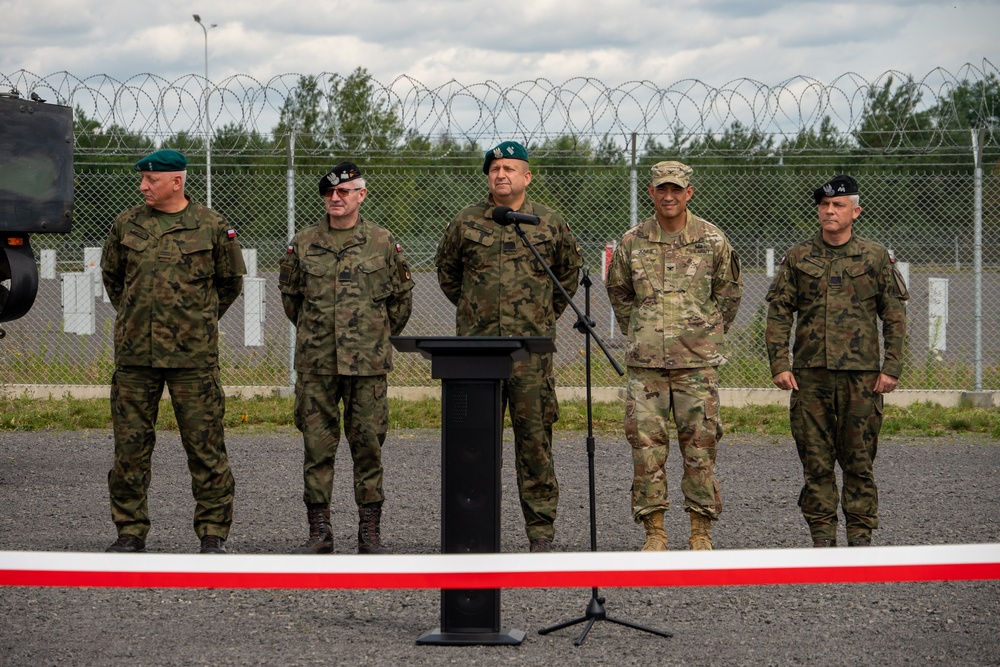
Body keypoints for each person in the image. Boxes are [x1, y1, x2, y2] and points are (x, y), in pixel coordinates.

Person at [435, 141, 583, 552]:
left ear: (526, 176)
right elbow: (449, 275)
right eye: (495, 168)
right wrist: (474, 311)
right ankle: (475, 533)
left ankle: (540, 533)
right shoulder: (465, 222)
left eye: (510, 168)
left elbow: (566, 277)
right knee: (475, 447)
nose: (501, 174)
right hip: (476, 355)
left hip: (529, 355)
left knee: (534, 442)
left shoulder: (549, 223)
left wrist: (538, 316)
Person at [101, 149, 246, 554]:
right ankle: (129, 530)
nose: (143, 185)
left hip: (192, 358)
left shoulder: (211, 225)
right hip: (135, 357)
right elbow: (114, 280)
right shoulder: (125, 224)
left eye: (151, 179)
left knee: (205, 446)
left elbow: (229, 283)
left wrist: (195, 321)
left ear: (176, 182)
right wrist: (138, 317)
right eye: (142, 179)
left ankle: (213, 532)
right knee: (130, 448)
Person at [765, 175, 909, 548]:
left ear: (855, 212)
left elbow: (893, 314)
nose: (830, 211)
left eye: (839, 205)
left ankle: (860, 544)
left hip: (862, 379)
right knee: (816, 464)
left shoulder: (875, 257)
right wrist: (779, 363)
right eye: (825, 205)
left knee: (859, 462)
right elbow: (780, 312)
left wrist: (892, 367)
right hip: (810, 378)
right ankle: (823, 544)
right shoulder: (798, 257)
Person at [606, 161, 743, 552]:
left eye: (676, 190)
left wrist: (702, 331)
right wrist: (644, 329)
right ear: (651, 193)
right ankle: (655, 532)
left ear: (689, 193)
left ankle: (701, 530)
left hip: (697, 364)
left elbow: (729, 295)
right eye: (661, 190)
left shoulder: (713, 240)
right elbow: (619, 293)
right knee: (647, 449)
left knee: (700, 447)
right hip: (645, 366)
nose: (669, 197)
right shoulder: (632, 241)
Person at [279, 161, 413, 555]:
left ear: (361, 195)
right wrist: (318, 333)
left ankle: (369, 531)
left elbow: (400, 303)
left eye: (344, 191)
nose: (335, 198)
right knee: (317, 448)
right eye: (329, 193)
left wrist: (372, 337)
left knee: (368, 445)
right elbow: (292, 301)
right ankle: (319, 531)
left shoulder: (382, 242)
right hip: (316, 364)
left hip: (367, 366)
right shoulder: (303, 243)